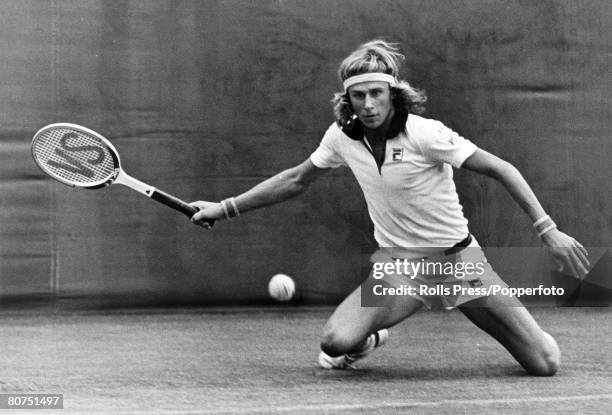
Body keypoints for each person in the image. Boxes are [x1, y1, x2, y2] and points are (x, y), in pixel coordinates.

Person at [190, 40, 590, 376]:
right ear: (347, 100)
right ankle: (372, 336)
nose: (367, 104)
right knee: (335, 343)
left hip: (460, 266)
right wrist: (225, 208)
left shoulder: (425, 133)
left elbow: (502, 169)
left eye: (376, 93)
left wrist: (547, 229)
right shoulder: (341, 138)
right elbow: (296, 179)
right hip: (401, 272)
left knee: (545, 363)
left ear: (392, 94)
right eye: (358, 96)